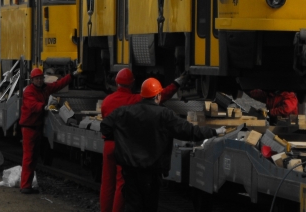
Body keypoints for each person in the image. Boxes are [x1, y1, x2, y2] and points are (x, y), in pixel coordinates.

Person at [101, 78, 226, 212]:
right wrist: (214, 131)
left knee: (132, 205)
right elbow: (189, 131)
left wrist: (122, 139)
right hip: (152, 171)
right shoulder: (164, 115)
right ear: (158, 95)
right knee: (149, 206)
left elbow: (105, 126)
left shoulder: (124, 112)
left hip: (130, 171)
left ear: (142, 94)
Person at [100, 69, 186, 212]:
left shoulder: (107, 101)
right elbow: (160, 95)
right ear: (133, 83)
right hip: (123, 147)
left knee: (107, 183)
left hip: (108, 145)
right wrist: (177, 83)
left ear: (116, 82)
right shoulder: (134, 100)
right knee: (121, 184)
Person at [19, 66, 75, 194]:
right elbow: (32, 105)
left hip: (36, 127)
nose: (39, 81)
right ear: (32, 80)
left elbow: (58, 84)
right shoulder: (29, 91)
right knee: (29, 157)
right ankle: (25, 186)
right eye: (37, 79)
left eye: (40, 78)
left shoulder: (45, 89)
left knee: (32, 158)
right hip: (29, 128)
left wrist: (72, 75)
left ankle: (27, 185)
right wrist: (44, 107)